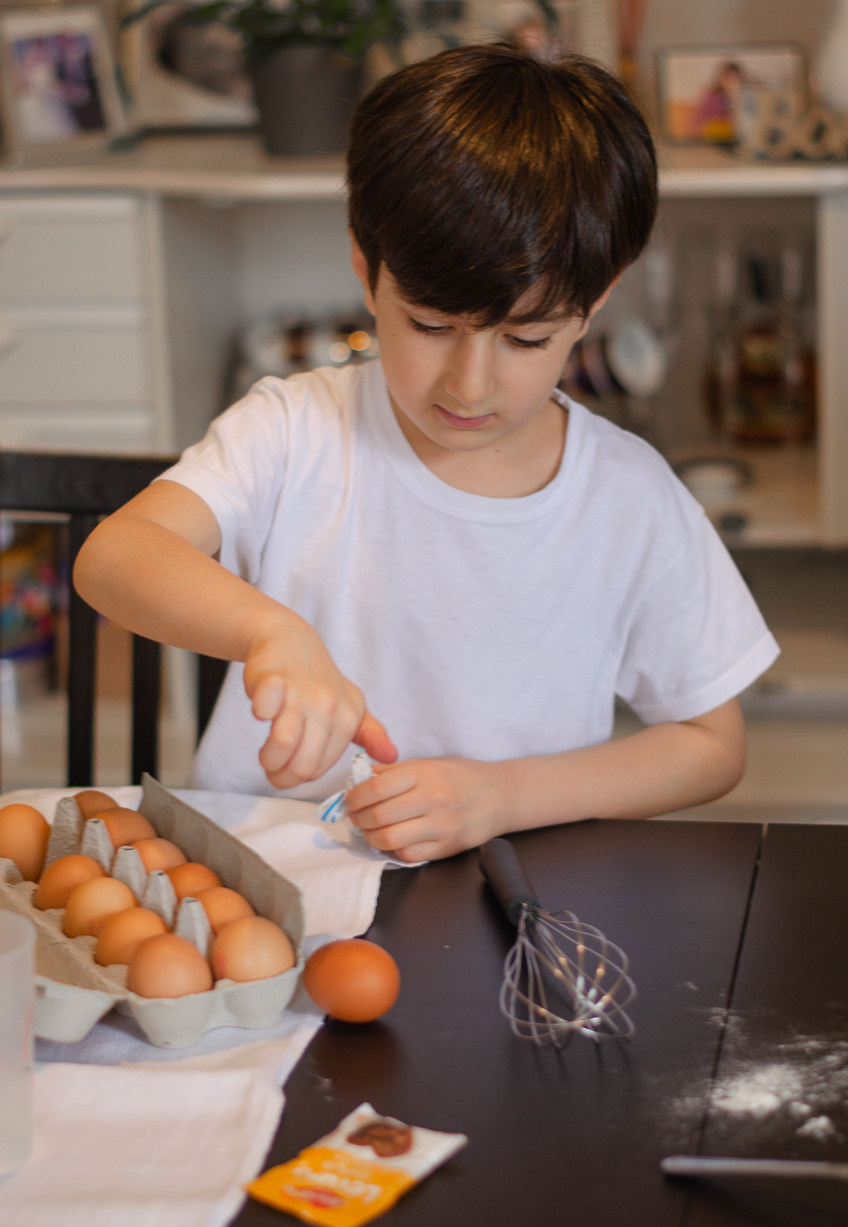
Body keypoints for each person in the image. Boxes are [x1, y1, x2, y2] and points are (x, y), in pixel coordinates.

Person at [74, 42, 779, 862]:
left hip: (504, 884)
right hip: (267, 882)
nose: (469, 384)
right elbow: (114, 555)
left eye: (527, 337)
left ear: (595, 304)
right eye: (431, 326)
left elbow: (710, 744)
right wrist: (271, 633)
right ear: (365, 268)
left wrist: (504, 794)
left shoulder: (627, 496)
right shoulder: (298, 428)